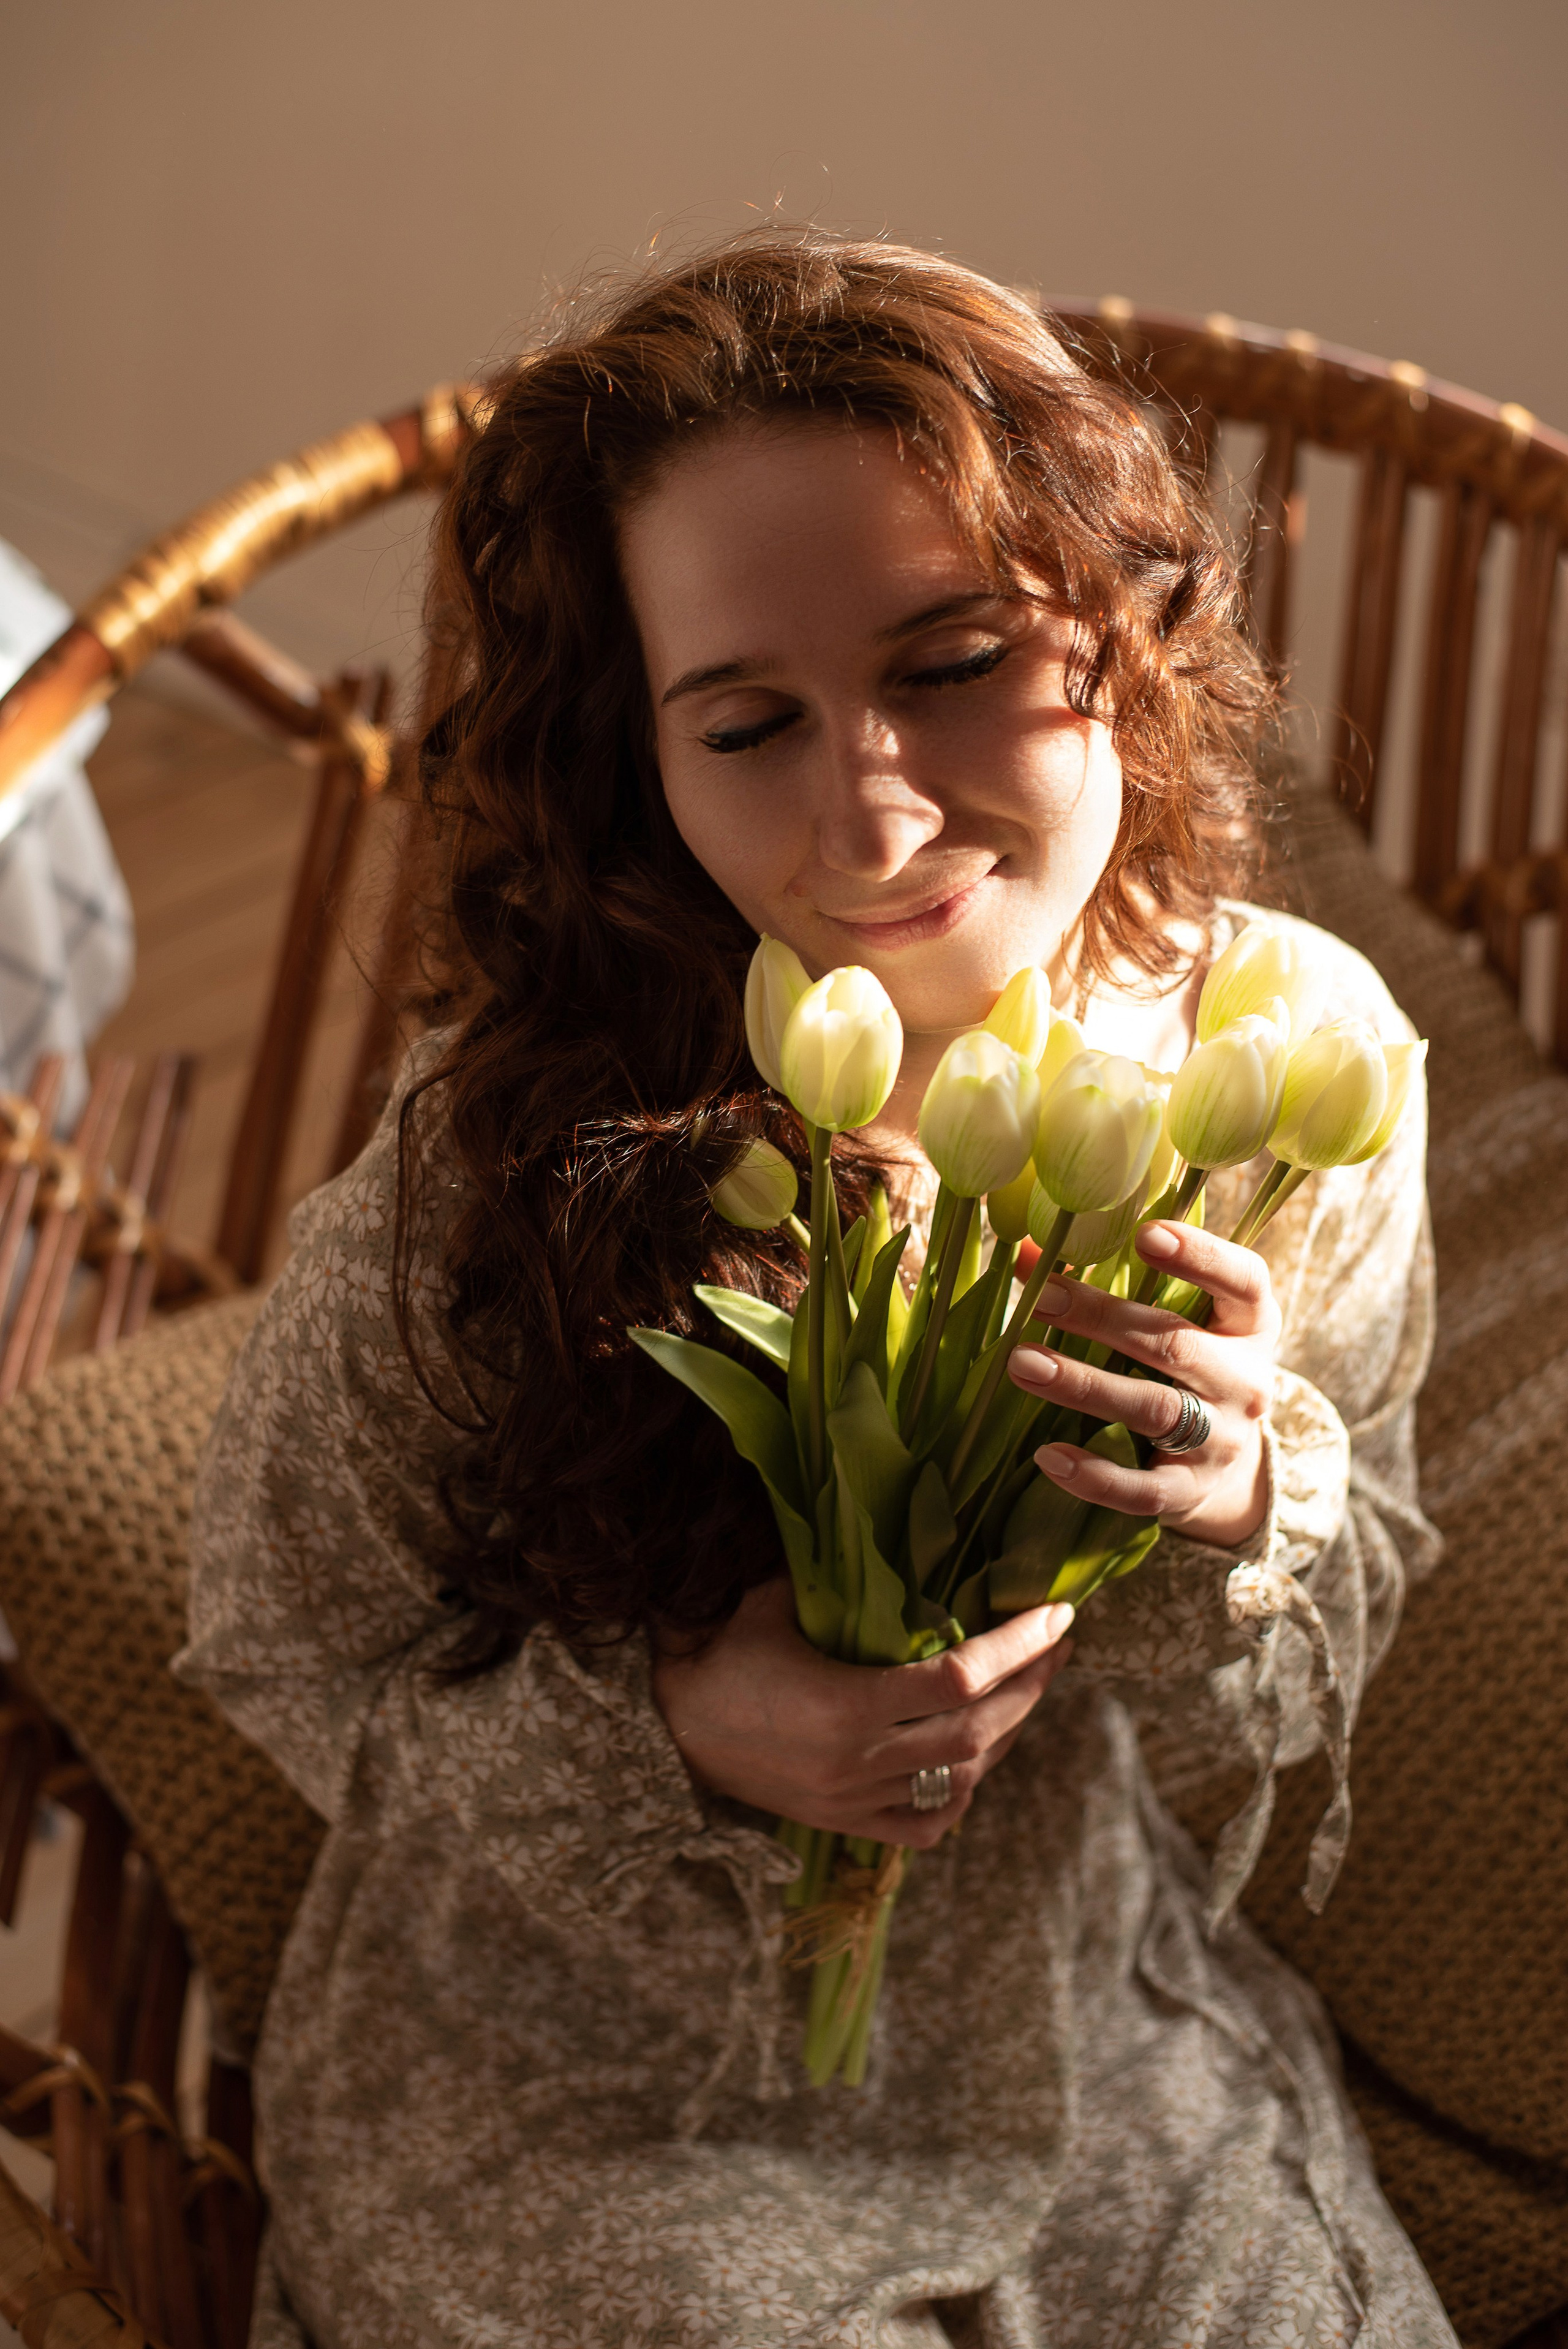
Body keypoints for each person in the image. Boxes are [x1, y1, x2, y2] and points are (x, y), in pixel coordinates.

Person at [179, 234, 1455, 2347]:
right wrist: (682, 1724)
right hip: (581, 2062)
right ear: (639, 761)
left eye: (953, 660)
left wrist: (1246, 1497)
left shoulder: (1286, 1076)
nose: (871, 803)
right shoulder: (515, 1142)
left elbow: (1308, 1655)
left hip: (1074, 2029)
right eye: (750, 719)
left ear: (1124, 629)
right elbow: (289, 1637)